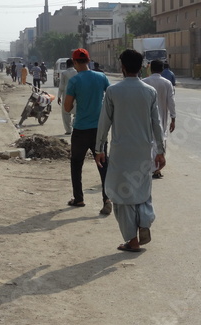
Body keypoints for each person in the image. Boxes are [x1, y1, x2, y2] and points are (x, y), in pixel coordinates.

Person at [95, 49, 165, 252]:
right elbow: (157, 124)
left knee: (121, 195)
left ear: (122, 67)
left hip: (121, 152)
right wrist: (160, 151)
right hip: (144, 150)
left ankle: (132, 241)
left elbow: (104, 122)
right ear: (141, 67)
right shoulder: (149, 92)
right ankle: (144, 222)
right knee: (142, 190)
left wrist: (99, 148)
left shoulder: (113, 92)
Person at [64, 48, 112, 215]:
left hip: (81, 129)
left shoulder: (74, 81)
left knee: (76, 164)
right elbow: (111, 96)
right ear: (88, 60)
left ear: (75, 62)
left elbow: (67, 107)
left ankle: (79, 198)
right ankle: (107, 198)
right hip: (100, 129)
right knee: (103, 164)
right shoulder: (101, 77)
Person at [143, 60, 176, 179]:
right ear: (162, 70)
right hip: (161, 117)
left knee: (149, 142)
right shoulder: (167, 83)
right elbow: (171, 102)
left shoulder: (144, 82)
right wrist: (173, 118)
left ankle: (150, 167)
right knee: (160, 141)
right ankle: (156, 169)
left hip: (146, 117)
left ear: (150, 69)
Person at [57, 58, 77, 135]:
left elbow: (61, 86)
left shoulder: (64, 73)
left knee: (66, 113)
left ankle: (68, 130)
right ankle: (75, 127)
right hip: (77, 94)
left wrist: (59, 96)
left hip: (67, 94)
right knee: (77, 112)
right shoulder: (77, 72)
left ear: (66, 65)